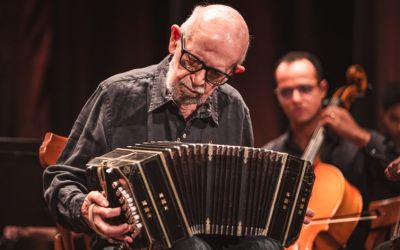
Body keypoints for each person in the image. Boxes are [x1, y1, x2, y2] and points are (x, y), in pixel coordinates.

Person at [43, 4, 283, 250]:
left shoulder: (234, 108)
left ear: (234, 71)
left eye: (215, 76)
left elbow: (245, 198)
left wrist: (278, 209)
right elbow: (61, 181)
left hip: (212, 243)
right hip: (130, 243)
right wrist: (86, 209)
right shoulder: (117, 96)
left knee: (266, 246)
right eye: (192, 62)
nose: (198, 81)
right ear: (175, 40)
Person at [263, 51, 399, 249]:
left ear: (323, 89)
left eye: (305, 88)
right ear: (277, 95)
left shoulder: (355, 146)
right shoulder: (271, 156)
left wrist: (362, 136)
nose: (296, 98)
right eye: (286, 92)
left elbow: (396, 174)